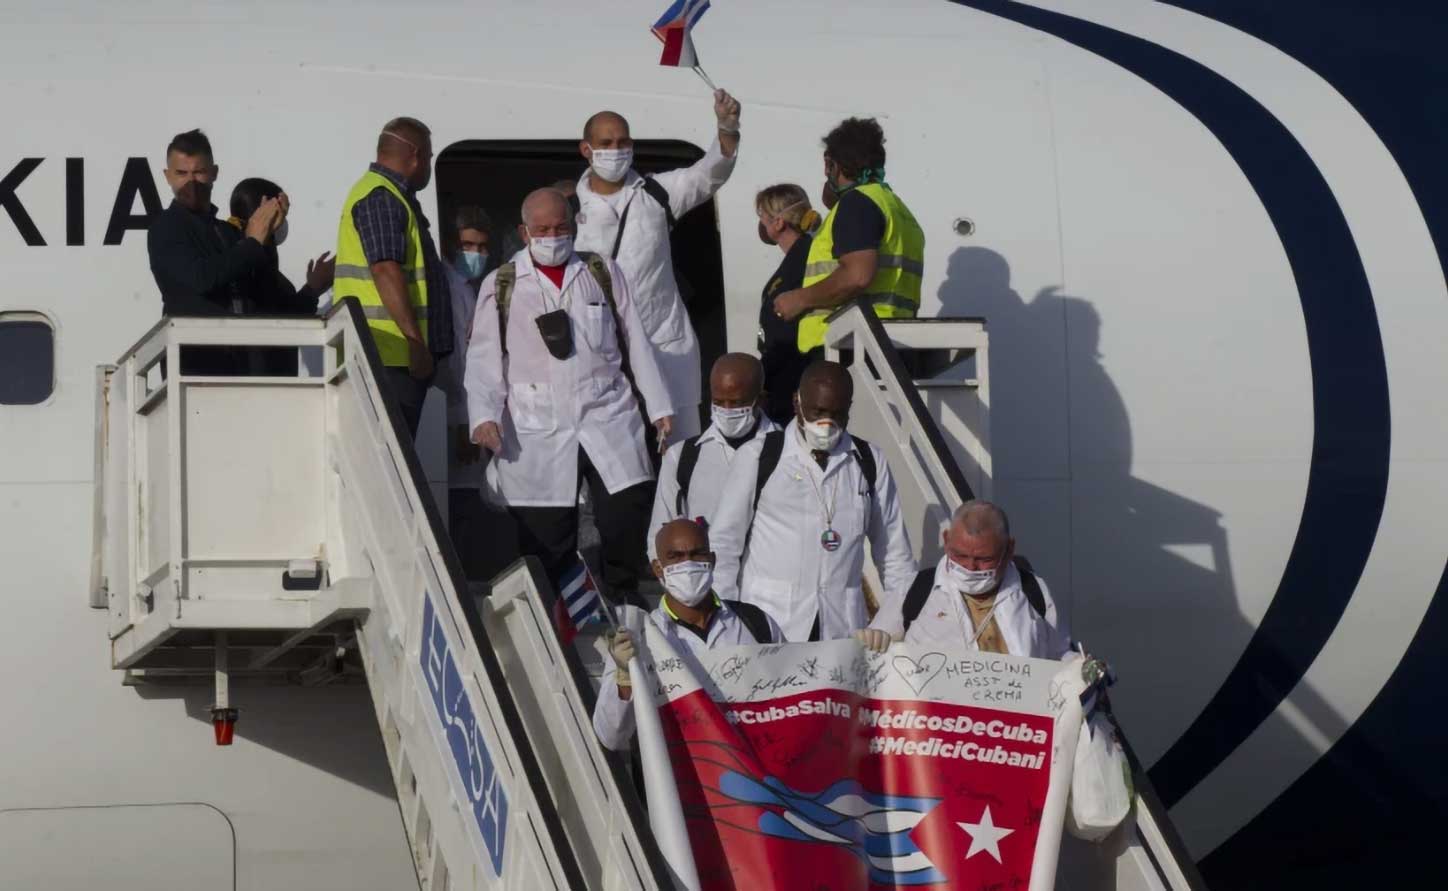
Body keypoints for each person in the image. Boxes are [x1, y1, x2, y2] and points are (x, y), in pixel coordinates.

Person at [465, 188, 673, 604]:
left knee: (624, 515)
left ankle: (624, 606)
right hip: (536, 425)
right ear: (524, 232)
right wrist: (483, 416)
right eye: (541, 229)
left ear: (575, 226)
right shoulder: (503, 282)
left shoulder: (601, 272)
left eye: (560, 227)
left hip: (608, 414)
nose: (552, 236)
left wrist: (659, 406)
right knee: (546, 535)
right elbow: (485, 358)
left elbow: (637, 342)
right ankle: (554, 618)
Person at [573, 89, 742, 444]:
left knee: (677, 456)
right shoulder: (567, 210)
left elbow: (710, 174)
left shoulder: (656, 193)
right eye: (606, 143)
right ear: (586, 150)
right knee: (612, 456)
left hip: (665, 344)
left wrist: (727, 128)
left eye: (622, 142)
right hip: (601, 351)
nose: (616, 150)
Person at [709, 360, 915, 641]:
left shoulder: (869, 461)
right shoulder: (760, 456)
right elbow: (724, 544)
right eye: (817, 411)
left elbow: (894, 553)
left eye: (837, 414)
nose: (826, 423)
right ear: (797, 402)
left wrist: (891, 623)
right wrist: (729, 624)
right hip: (770, 626)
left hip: (842, 628)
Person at [593, 519, 783, 751]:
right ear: (657, 568)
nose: (688, 564)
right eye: (675, 557)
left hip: (757, 767)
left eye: (697, 554)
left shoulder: (756, 623)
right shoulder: (638, 639)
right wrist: (624, 677)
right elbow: (611, 737)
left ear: (712, 560)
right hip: (686, 775)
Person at [334, 117, 454, 437]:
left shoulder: (392, 196)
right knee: (389, 456)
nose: (429, 166)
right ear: (414, 154)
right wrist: (415, 342)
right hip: (388, 358)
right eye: (429, 158)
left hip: (391, 357)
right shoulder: (382, 197)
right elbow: (385, 270)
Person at [770, 118, 926, 355]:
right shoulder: (898, 210)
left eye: (827, 166)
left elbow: (857, 276)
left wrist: (799, 299)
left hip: (845, 347)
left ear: (833, 165)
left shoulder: (857, 203)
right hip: (887, 343)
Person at [147, 129, 287, 374]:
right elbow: (200, 279)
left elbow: (268, 298)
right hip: (199, 371)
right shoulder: (166, 228)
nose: (191, 181)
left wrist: (312, 288)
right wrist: (253, 242)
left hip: (247, 369)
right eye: (181, 173)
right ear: (167, 177)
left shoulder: (227, 232)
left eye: (199, 172)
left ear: (214, 173)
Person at [863, 500, 1073, 659]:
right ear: (946, 541)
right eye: (960, 555)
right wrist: (870, 641)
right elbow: (873, 651)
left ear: (1009, 549)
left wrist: (1080, 667)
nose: (970, 567)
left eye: (984, 559)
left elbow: (1061, 655)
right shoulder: (915, 589)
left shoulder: (1034, 591)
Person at [647, 353, 778, 559]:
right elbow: (659, 536)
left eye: (736, 403)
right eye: (718, 401)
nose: (726, 410)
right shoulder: (681, 457)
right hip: (705, 584)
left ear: (759, 400)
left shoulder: (786, 452)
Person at [754, 184, 821, 426]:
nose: (761, 224)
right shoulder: (801, 256)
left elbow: (782, 333)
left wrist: (765, 383)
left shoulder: (800, 261)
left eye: (762, 217)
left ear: (779, 223)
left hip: (790, 378)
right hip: (788, 374)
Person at [227, 177, 335, 318]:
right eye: (281, 214)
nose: (282, 222)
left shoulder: (229, 253)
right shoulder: (247, 266)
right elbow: (283, 318)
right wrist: (312, 290)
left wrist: (313, 286)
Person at [449, 204, 496, 292]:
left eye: (482, 246)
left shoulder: (484, 286)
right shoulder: (447, 288)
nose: (476, 253)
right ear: (453, 245)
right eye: (467, 245)